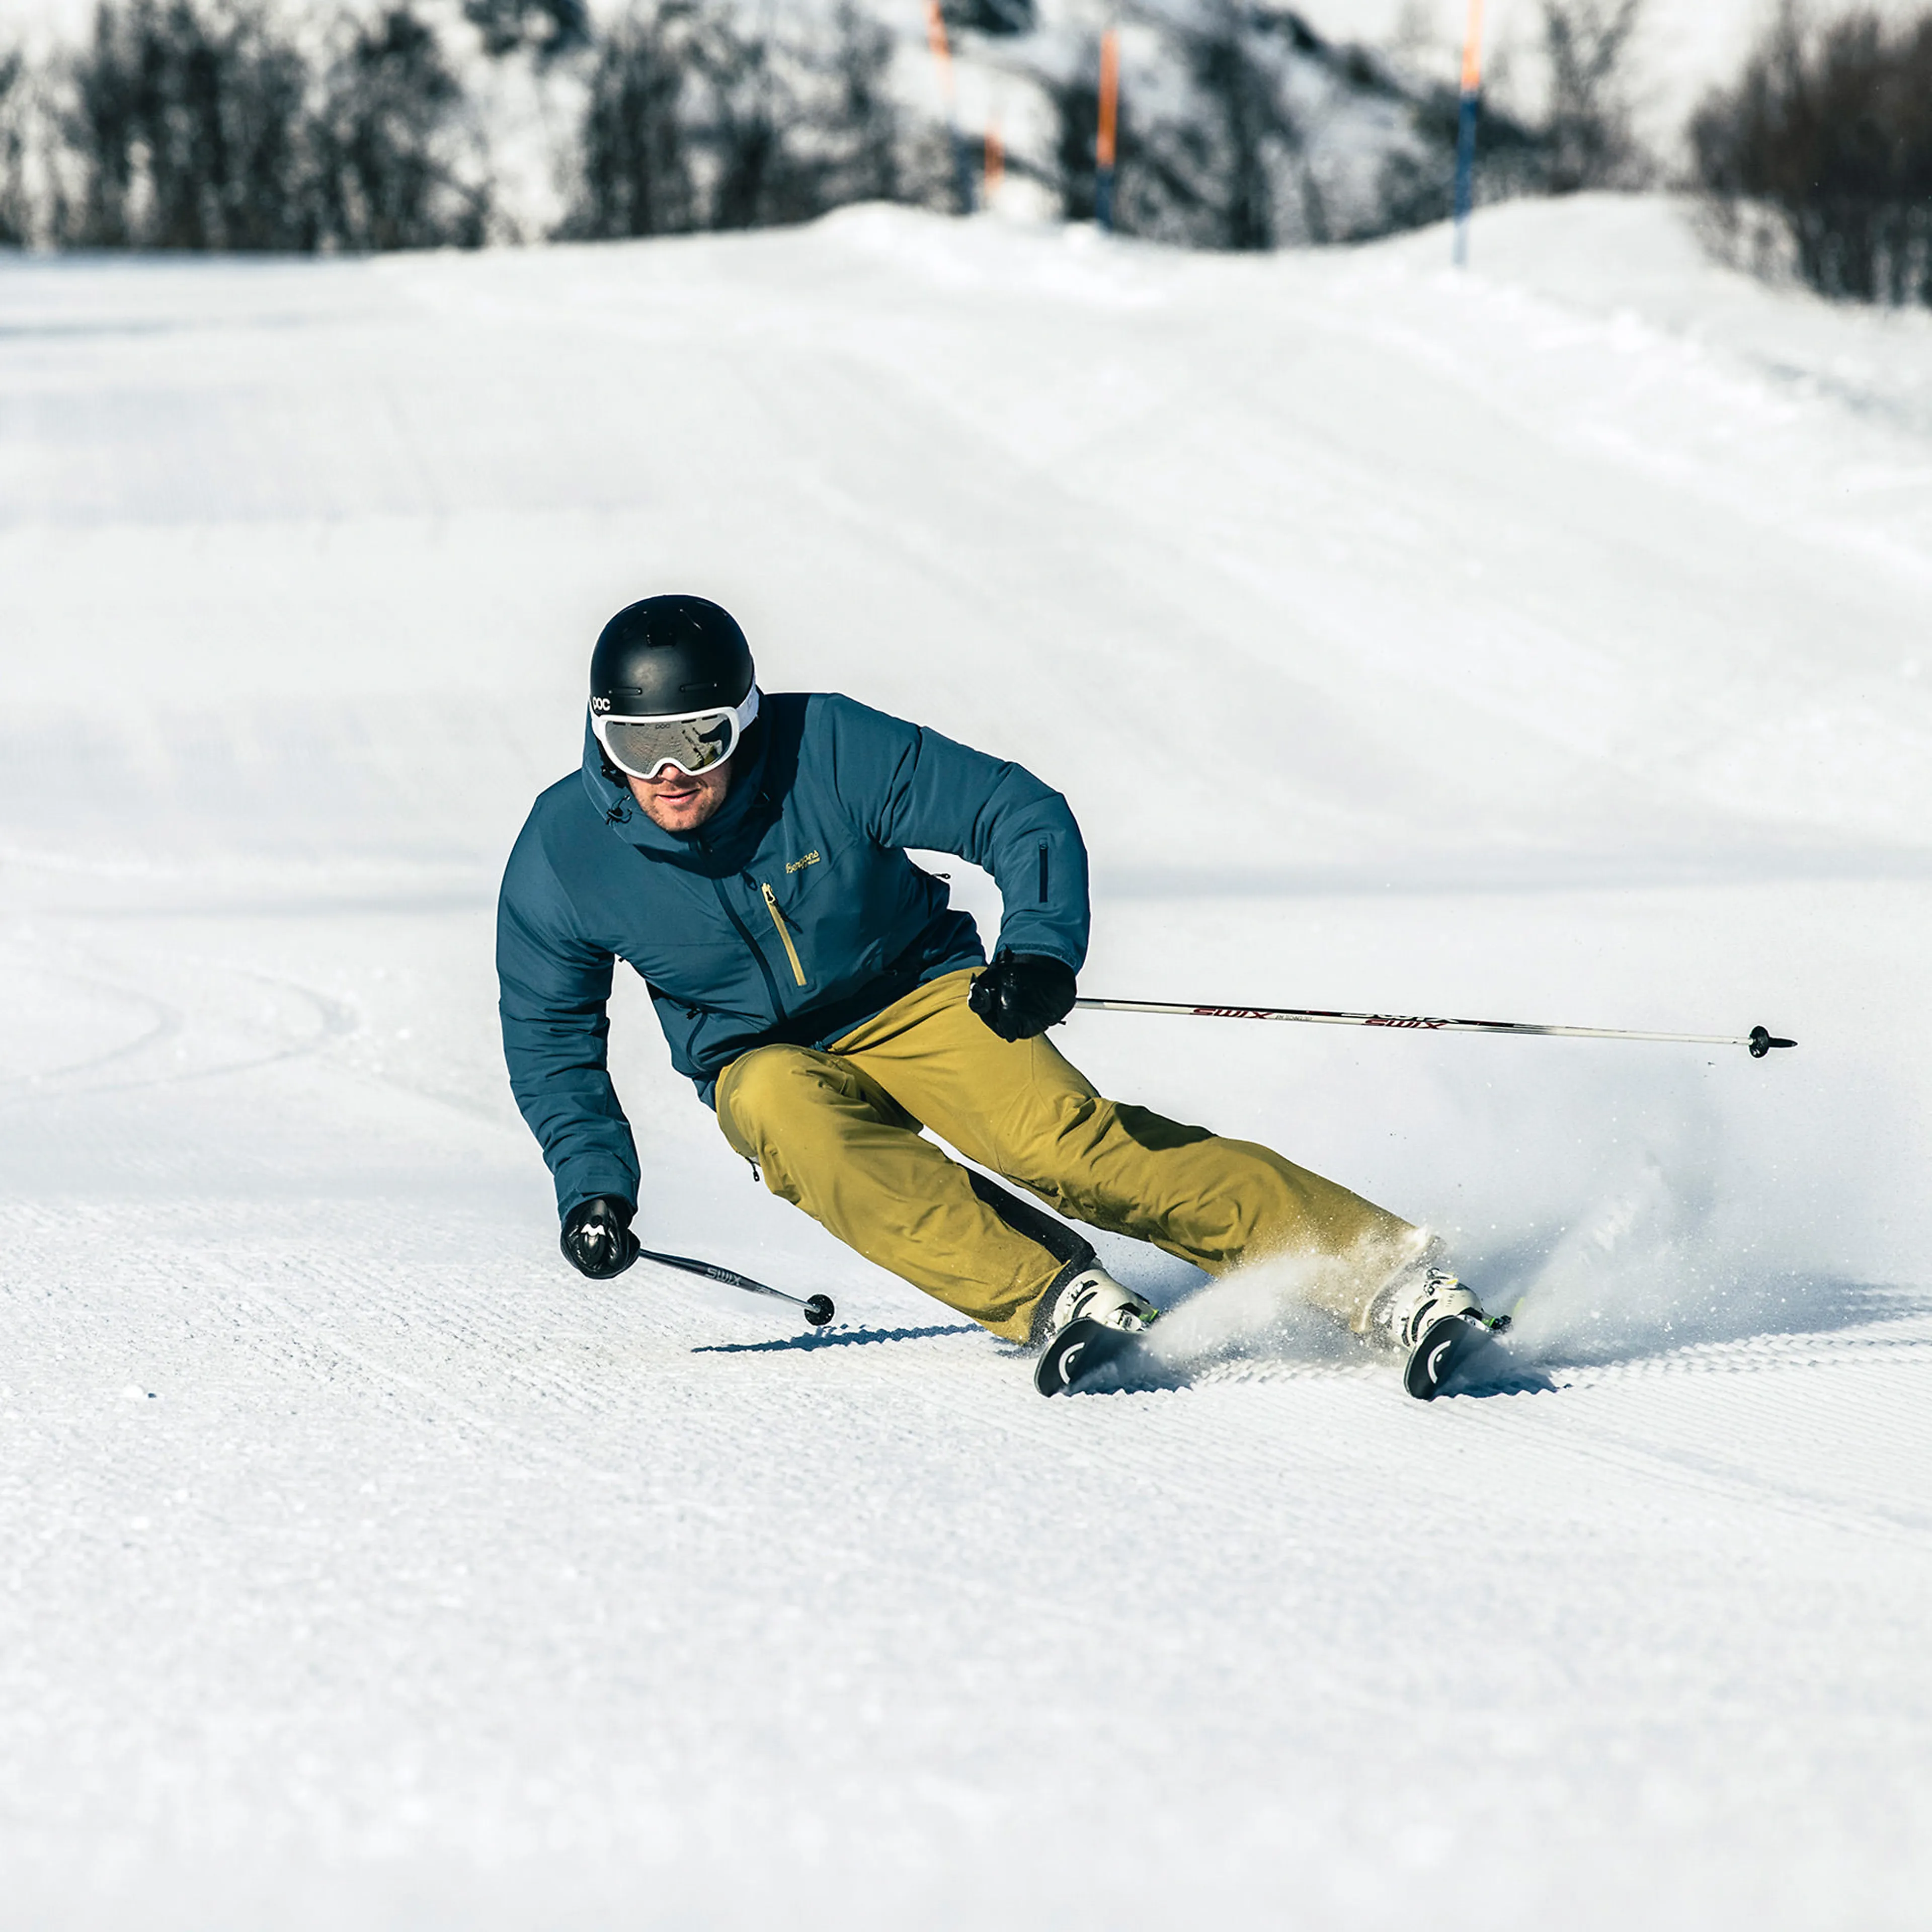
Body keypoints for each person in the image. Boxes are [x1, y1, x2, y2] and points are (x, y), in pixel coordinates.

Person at [497, 595, 1502, 1398]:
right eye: (637, 749)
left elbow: (1012, 811)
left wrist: (1038, 949)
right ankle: (1059, 1298)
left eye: (701, 742)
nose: (669, 776)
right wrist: (594, 1187)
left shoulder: (828, 748)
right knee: (781, 1115)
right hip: (756, 1056)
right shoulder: (564, 852)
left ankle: (1386, 1277)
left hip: (912, 992)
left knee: (1063, 1148)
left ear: (745, 725)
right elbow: (551, 1038)